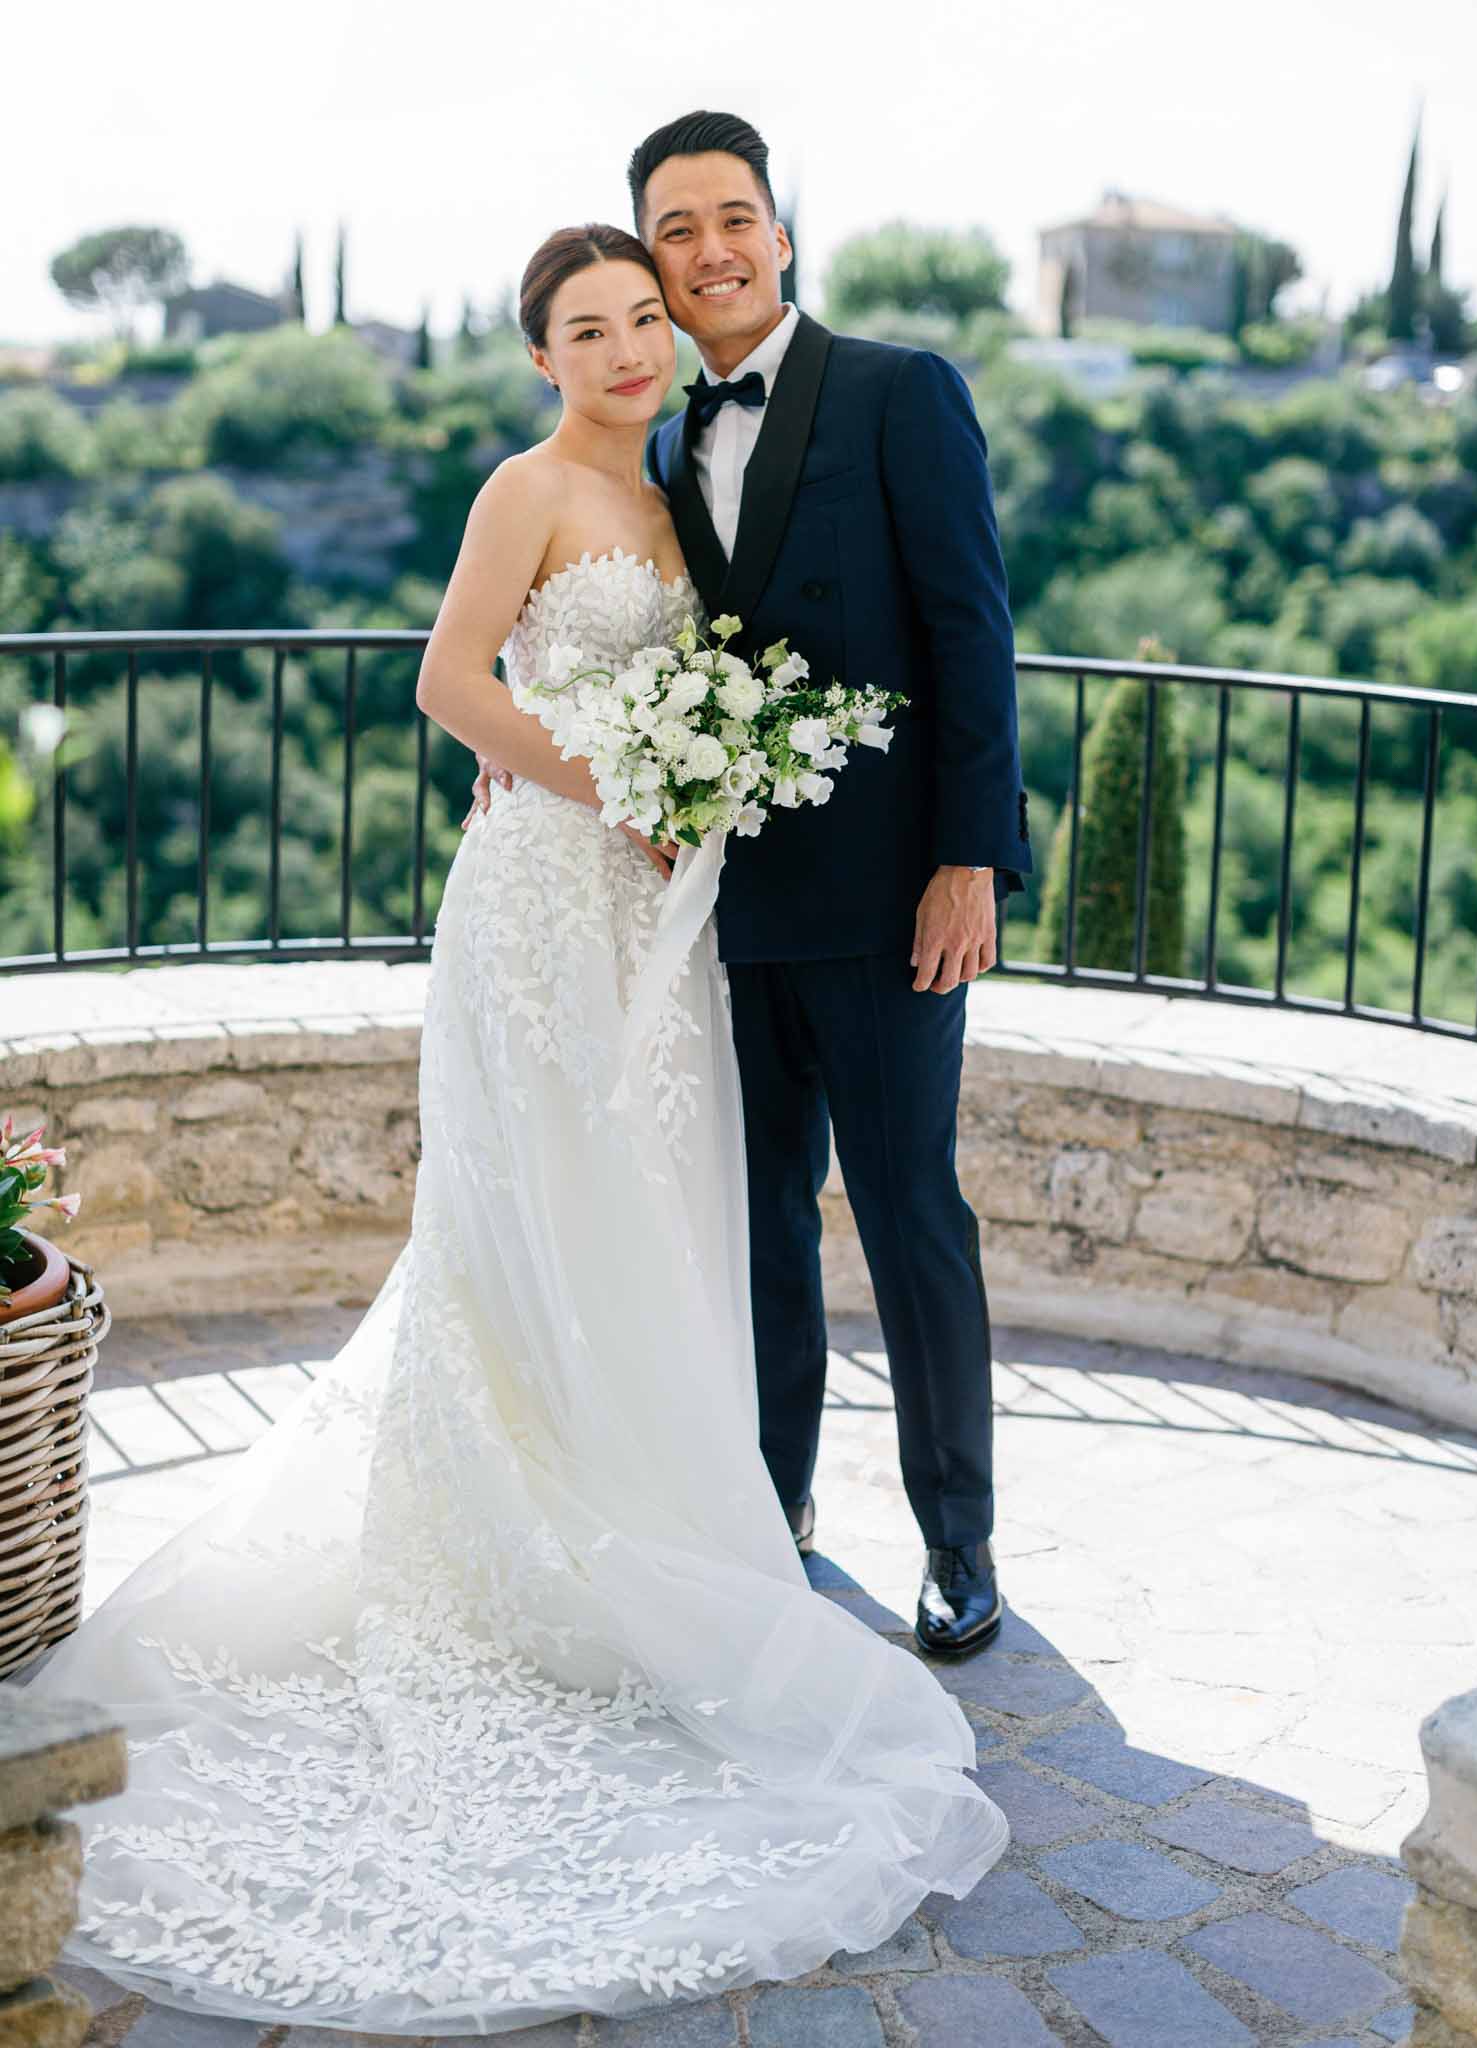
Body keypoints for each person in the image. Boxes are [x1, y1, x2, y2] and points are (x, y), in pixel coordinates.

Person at [19, 222, 1007, 2039]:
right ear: (538, 352)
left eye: (645, 316)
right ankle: (518, 1550)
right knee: (528, 1220)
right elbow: (453, 684)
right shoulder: (526, 484)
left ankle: (662, 1512)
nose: (627, 346)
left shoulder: (678, 506)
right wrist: (620, 779)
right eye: (588, 326)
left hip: (659, 926)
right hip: (544, 913)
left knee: (646, 1220)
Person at [633, 110, 1032, 1658]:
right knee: (759, 1226)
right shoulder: (665, 441)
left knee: (909, 1212)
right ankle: (771, 1506)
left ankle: (957, 1543)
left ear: (780, 234)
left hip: (886, 905)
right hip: (726, 912)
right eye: (678, 228)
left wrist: (967, 858)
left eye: (734, 216)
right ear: (654, 265)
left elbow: (970, 630)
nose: (712, 248)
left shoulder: (896, 392)